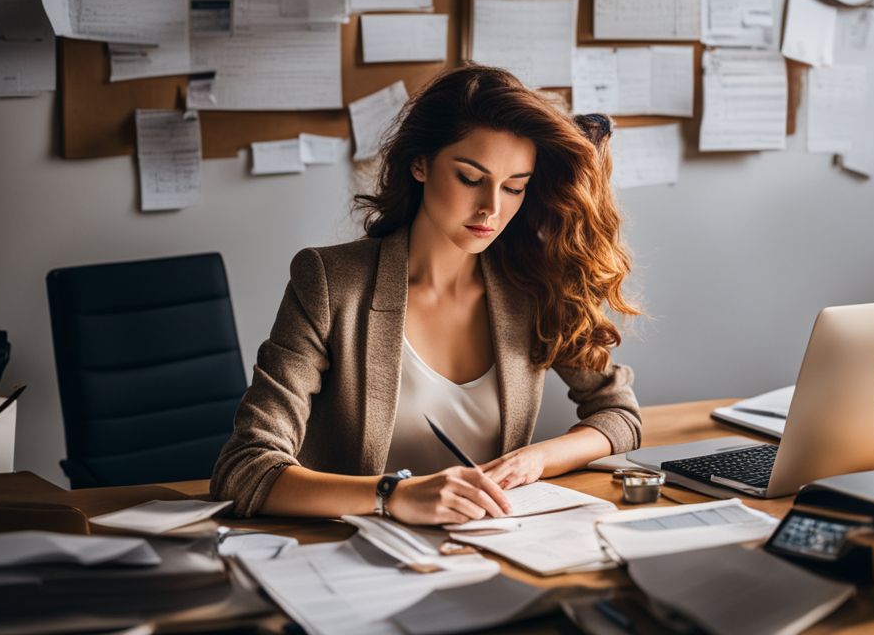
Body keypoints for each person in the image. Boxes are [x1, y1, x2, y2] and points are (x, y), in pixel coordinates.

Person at [211, 65, 642, 525]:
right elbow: (245, 468)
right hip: (353, 551)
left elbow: (619, 415)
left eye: (514, 187)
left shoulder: (531, 286)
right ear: (420, 164)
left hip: (487, 548)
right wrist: (393, 495)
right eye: (470, 179)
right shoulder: (330, 282)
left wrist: (535, 460)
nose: (492, 209)